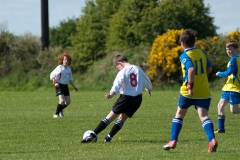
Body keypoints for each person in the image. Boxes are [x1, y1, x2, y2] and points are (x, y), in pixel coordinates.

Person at [162, 29, 218, 153]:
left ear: (182, 43)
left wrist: (190, 86)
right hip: (203, 90)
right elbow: (209, 68)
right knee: (204, 116)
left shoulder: (184, 55)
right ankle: (212, 140)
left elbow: (191, 69)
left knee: (179, 115)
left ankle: (173, 140)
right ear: (194, 41)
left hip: (188, 91)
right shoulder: (202, 53)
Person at [81, 54, 152, 143]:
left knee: (109, 118)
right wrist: (148, 88)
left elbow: (116, 85)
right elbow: (147, 81)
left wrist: (111, 94)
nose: (117, 69)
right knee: (122, 118)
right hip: (137, 99)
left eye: (117, 67)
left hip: (125, 98)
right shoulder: (138, 69)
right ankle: (108, 137)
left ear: (119, 63)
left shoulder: (122, 72)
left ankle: (92, 135)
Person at [214, 41, 240, 133]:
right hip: (228, 87)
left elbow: (229, 72)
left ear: (236, 49)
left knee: (234, 110)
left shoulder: (234, 59)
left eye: (230, 49)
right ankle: (221, 129)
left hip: (234, 87)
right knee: (220, 105)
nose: (228, 51)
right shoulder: (236, 58)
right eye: (227, 49)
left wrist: (219, 73)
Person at [50, 53, 78, 118]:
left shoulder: (69, 70)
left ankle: (60, 110)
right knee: (62, 101)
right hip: (59, 86)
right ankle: (56, 114)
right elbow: (52, 76)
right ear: (62, 60)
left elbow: (70, 80)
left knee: (68, 102)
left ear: (69, 61)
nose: (66, 61)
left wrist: (74, 87)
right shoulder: (59, 68)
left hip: (65, 86)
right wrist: (55, 83)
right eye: (65, 59)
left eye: (67, 60)